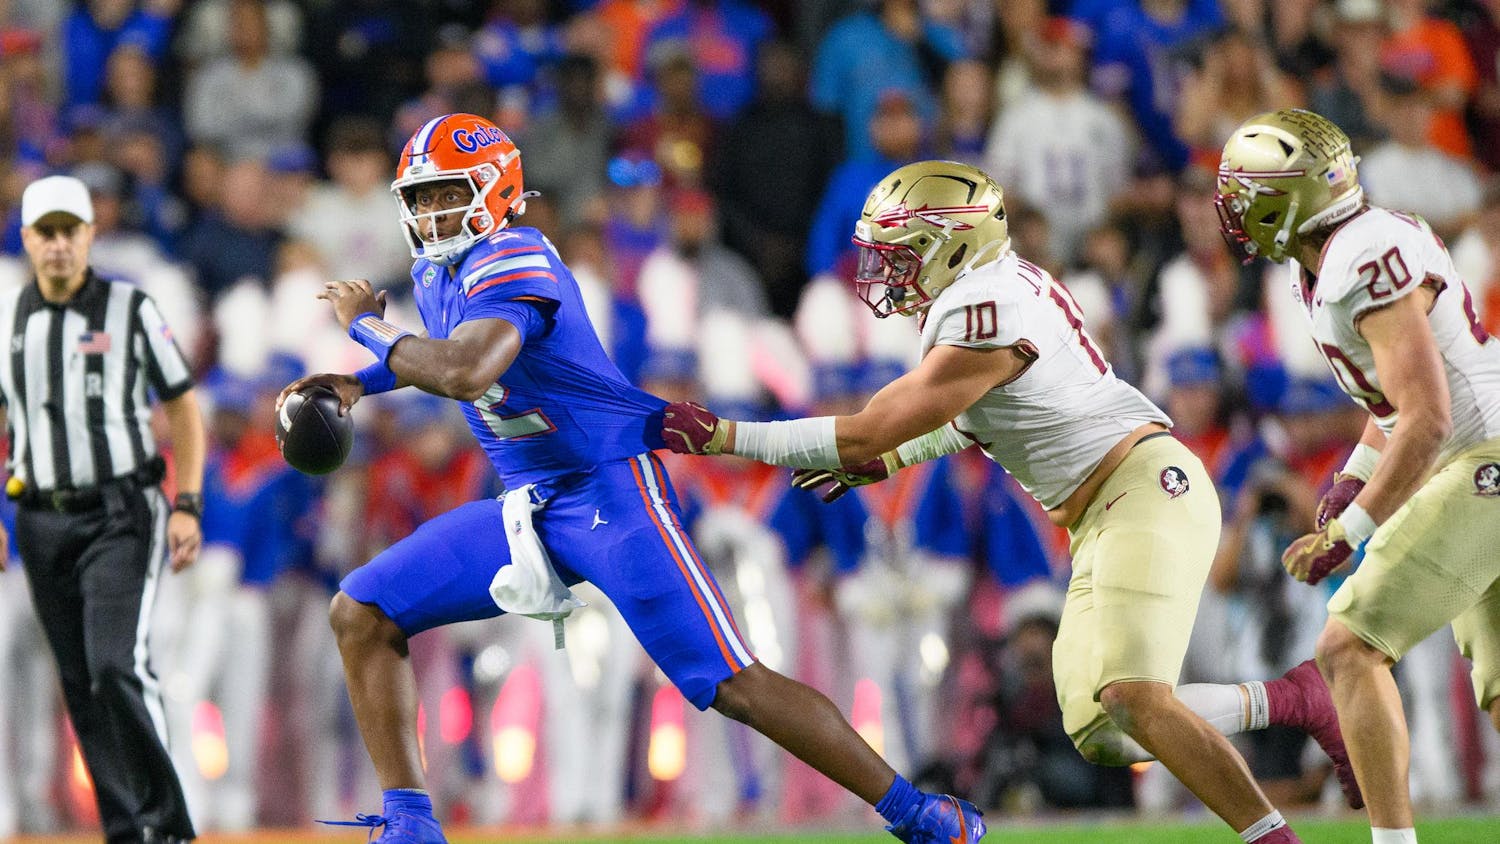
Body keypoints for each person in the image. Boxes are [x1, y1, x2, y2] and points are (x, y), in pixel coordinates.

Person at [277, 113, 986, 844]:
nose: (430, 214)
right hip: (530, 503)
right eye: (420, 199)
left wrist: (368, 329)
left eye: (447, 194)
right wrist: (362, 382)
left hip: (610, 492)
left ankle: (920, 813)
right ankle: (410, 826)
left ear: (496, 190)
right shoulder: (439, 269)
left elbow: (464, 370)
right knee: (361, 611)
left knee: (733, 685)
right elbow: (451, 358)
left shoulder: (514, 255)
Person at [660, 160, 1364, 844]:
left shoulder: (984, 308)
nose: (887, 271)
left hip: (1143, 489)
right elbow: (967, 418)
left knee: (1133, 694)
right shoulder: (993, 293)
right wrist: (891, 461)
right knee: (1102, 728)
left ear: (953, 245)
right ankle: (1293, 699)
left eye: (902, 252)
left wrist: (726, 435)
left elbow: (869, 429)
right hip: (1107, 511)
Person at [1217, 107, 1500, 844]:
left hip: (1484, 460)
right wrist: (1356, 472)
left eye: (1249, 193)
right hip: (1475, 458)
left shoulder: (1360, 256)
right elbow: (1394, 402)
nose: (1237, 211)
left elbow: (1429, 416)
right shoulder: (1343, 251)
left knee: (1348, 646)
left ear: (1290, 201)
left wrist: (1354, 528)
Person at [0, 174, 205, 843]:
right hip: (39, 515)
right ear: (28, 238)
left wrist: (188, 503)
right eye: (46, 232)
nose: (58, 244)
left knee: (118, 664)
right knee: (81, 681)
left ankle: (168, 828)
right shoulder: (6, 315)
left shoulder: (130, 307)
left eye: (70, 230)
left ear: (90, 234)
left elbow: (182, 404)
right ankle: (128, 831)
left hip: (120, 508)